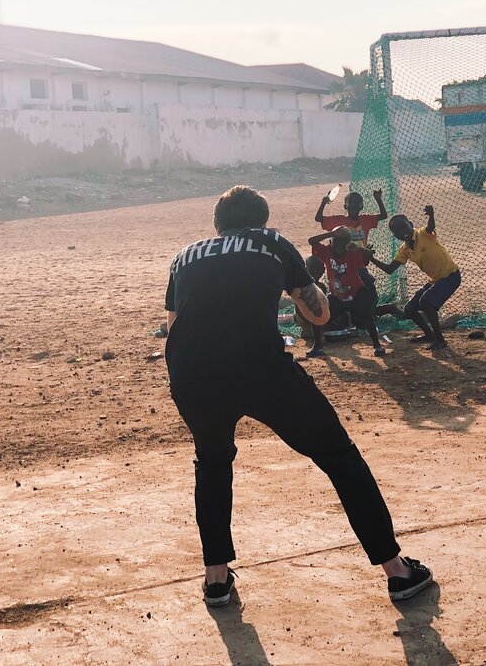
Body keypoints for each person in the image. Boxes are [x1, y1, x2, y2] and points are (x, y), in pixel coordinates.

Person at [164, 185, 432, 608]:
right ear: (262, 220)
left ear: (217, 224)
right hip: (259, 367)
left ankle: (216, 579)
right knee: (339, 457)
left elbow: (173, 323)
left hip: (191, 375)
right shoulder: (269, 242)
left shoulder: (186, 255)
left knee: (212, 464)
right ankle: (397, 571)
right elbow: (319, 313)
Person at [367, 205, 460, 351]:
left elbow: (431, 227)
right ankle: (429, 335)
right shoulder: (404, 249)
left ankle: (440, 339)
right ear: (395, 235)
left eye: (403, 227)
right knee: (410, 309)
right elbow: (390, 269)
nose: (401, 232)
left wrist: (431, 215)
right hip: (437, 280)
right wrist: (370, 258)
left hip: (451, 276)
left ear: (410, 224)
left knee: (426, 302)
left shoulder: (423, 233)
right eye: (397, 231)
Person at [307, 227, 387, 358]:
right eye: (336, 242)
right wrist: (331, 233)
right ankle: (317, 345)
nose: (339, 246)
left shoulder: (353, 254)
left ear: (348, 244)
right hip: (337, 296)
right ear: (331, 241)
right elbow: (312, 241)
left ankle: (377, 345)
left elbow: (369, 254)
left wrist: (358, 248)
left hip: (356, 293)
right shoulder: (327, 252)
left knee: (367, 318)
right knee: (318, 315)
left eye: (343, 243)